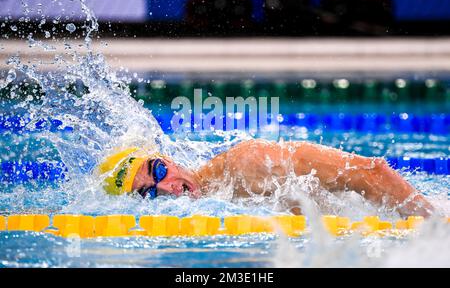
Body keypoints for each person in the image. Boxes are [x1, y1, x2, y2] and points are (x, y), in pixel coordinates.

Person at [97, 139, 434, 218]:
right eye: (148, 194)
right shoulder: (213, 206)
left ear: (167, 158)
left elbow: (370, 172)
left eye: (157, 170)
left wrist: (436, 224)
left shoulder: (248, 164)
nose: (166, 187)